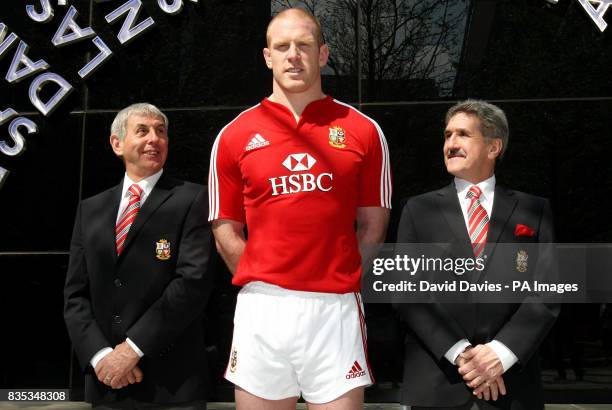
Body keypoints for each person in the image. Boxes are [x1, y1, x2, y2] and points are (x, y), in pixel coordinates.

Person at [208, 7, 391, 410]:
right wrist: (268, 279)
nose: (294, 55)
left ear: (323, 54)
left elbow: (373, 228)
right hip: (262, 308)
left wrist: (335, 274)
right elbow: (225, 230)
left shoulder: (362, 130)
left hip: (335, 308)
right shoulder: (235, 135)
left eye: (304, 46)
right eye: (283, 46)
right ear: (267, 56)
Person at [395, 100, 559, 409]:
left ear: (494, 146)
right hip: (437, 384)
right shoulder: (418, 210)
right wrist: (462, 355)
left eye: (462, 134)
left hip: (512, 386)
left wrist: (500, 353)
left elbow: (547, 293)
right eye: (447, 135)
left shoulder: (534, 211)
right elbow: (407, 293)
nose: (451, 144)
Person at [64, 103, 212, 410]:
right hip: (108, 384)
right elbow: (75, 295)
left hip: (172, 387)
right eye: (142, 131)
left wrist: (132, 350)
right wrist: (101, 356)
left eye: (161, 132)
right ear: (117, 144)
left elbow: (192, 283)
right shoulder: (90, 209)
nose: (154, 139)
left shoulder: (193, 198)